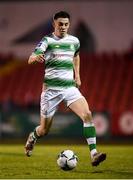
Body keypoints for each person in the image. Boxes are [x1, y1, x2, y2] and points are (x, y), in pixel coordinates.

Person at [25, 11, 106, 166]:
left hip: (69, 88)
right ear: (54, 24)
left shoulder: (74, 41)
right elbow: (30, 59)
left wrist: (78, 76)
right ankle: (33, 137)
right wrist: (36, 58)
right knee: (44, 130)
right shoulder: (47, 41)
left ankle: (94, 154)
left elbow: (76, 56)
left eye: (66, 24)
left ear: (69, 25)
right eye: (60, 24)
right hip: (51, 92)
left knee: (87, 114)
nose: (63, 27)